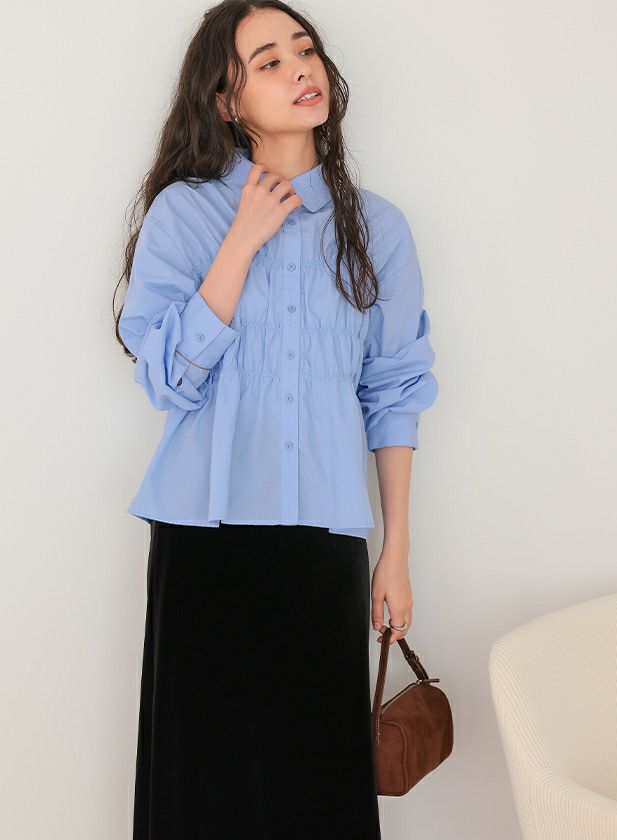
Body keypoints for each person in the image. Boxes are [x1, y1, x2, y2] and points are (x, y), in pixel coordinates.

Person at [113, 1, 439, 837]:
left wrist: (396, 550)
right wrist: (240, 243)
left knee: (317, 792)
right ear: (226, 100)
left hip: (323, 542)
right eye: (269, 61)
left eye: (306, 50)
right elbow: (168, 382)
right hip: (205, 538)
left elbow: (393, 391)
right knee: (200, 789)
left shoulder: (379, 229)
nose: (300, 68)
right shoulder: (185, 215)